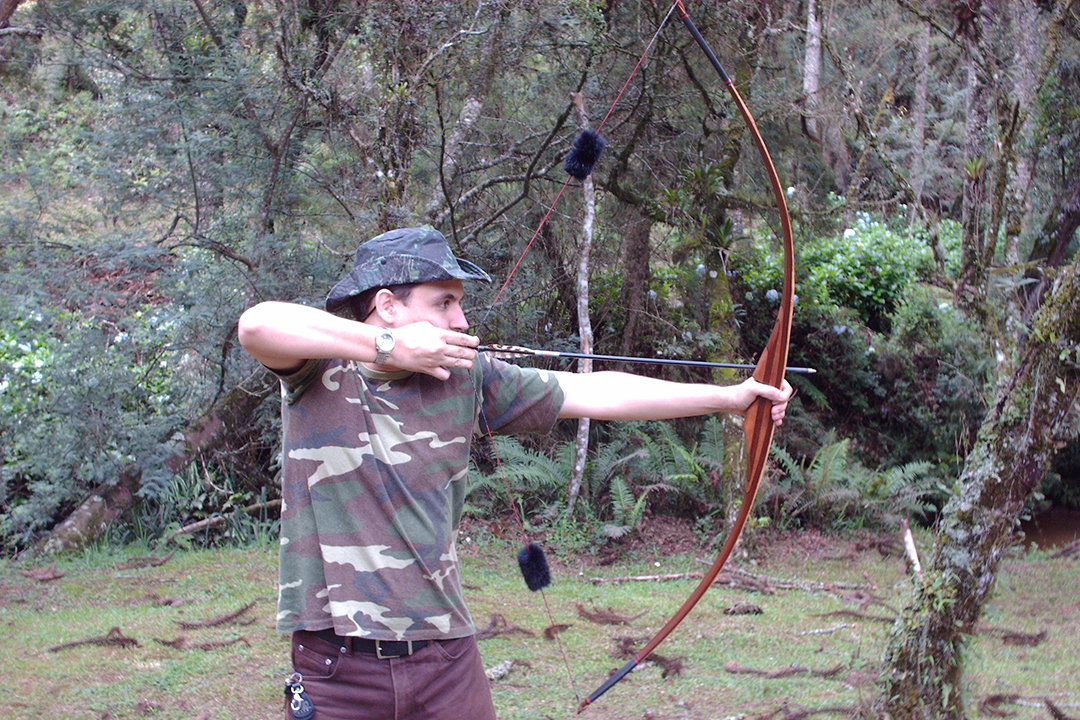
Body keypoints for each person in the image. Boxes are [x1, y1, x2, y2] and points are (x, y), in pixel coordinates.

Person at [238, 227, 792, 720]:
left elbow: (594, 391)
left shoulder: (464, 377)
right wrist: (389, 346)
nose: (460, 319)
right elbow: (257, 325)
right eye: (444, 302)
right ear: (387, 306)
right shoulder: (318, 371)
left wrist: (730, 397)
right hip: (337, 668)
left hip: (446, 659)